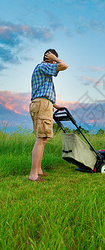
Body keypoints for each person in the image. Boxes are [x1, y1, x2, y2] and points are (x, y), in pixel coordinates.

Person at [28, 49, 68, 182]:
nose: (55, 62)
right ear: (50, 58)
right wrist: (55, 59)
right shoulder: (44, 66)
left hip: (42, 104)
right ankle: (33, 175)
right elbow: (64, 66)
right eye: (53, 59)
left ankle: (38, 170)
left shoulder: (43, 70)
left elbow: (43, 91)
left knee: (42, 139)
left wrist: (55, 105)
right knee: (41, 139)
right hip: (42, 105)